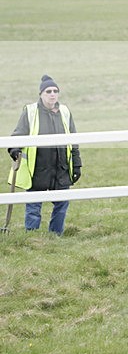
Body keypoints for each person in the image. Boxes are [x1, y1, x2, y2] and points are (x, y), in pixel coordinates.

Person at [7, 75, 82, 235]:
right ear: (41, 94)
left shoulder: (65, 112)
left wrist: (77, 164)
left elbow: (73, 140)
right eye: (48, 91)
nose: (52, 94)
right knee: (33, 205)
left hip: (61, 168)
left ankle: (55, 235)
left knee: (62, 204)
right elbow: (18, 134)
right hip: (38, 168)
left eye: (55, 91)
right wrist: (14, 149)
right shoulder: (30, 111)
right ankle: (32, 237)